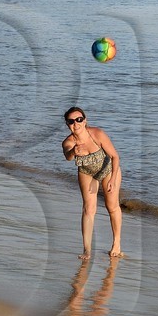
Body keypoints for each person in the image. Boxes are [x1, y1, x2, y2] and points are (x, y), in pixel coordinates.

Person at [60, 106, 123, 258]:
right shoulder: (68, 142)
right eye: (71, 121)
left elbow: (115, 157)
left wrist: (113, 179)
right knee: (88, 209)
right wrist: (73, 151)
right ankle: (87, 250)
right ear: (67, 124)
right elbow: (68, 156)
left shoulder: (97, 134)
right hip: (87, 172)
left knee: (112, 206)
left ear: (85, 120)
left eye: (79, 119)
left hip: (108, 169)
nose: (76, 124)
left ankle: (116, 243)